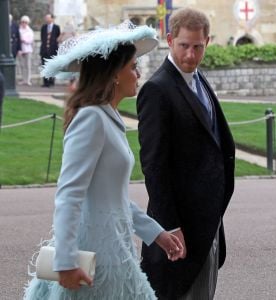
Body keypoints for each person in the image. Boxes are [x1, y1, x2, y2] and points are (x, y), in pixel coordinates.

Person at [24, 21, 184, 300]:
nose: (139, 73)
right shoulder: (91, 118)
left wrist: (156, 233)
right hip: (96, 257)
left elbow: (112, 197)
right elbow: (69, 193)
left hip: (114, 252)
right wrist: (65, 261)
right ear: (113, 75)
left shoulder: (105, 118)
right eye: (133, 66)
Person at [137, 8, 236, 300]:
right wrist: (170, 227)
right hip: (179, 231)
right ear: (169, 40)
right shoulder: (157, 89)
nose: (190, 55)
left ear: (208, 41)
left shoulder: (198, 79)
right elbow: (154, 166)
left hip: (208, 222)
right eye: (183, 46)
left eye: (198, 47)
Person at [40, 13, 60, 87]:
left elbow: (57, 38)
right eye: (46, 18)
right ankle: (45, 82)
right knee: (44, 66)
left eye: (48, 18)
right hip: (44, 50)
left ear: (52, 19)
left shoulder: (56, 27)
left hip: (53, 50)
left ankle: (51, 82)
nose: (47, 19)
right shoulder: (44, 27)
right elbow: (42, 38)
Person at [18, 15, 34, 86]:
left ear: (27, 23)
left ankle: (28, 80)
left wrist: (24, 40)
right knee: (22, 65)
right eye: (23, 22)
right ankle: (23, 79)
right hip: (21, 49)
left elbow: (30, 40)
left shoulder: (30, 30)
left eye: (25, 22)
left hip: (27, 49)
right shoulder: (19, 30)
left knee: (28, 65)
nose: (24, 23)